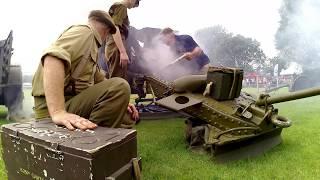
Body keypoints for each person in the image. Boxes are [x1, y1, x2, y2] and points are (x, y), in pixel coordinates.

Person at [32, 10, 139, 131]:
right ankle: (93, 145)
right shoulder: (85, 32)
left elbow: (100, 80)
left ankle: (104, 145)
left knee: (126, 116)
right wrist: (58, 111)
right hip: (50, 110)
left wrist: (121, 101)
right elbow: (52, 58)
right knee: (120, 86)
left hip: (70, 102)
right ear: (107, 31)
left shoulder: (91, 45)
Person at [105, 0, 141, 79]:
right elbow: (115, 28)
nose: (135, 6)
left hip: (113, 44)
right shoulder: (121, 7)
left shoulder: (117, 6)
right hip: (116, 46)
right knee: (118, 80)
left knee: (114, 77)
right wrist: (122, 52)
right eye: (136, 2)